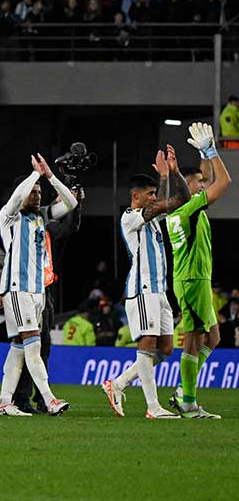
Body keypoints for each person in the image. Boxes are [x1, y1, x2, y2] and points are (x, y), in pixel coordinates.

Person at [102, 157, 192, 417]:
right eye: (149, 194)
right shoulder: (130, 217)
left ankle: (117, 384)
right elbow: (161, 205)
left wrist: (173, 173)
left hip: (159, 292)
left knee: (165, 349)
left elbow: (181, 199)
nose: (154, 198)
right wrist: (163, 180)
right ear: (136, 196)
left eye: (155, 193)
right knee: (147, 343)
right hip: (142, 289)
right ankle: (153, 407)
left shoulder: (152, 219)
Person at [0, 154, 77, 417]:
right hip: (18, 288)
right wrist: (34, 176)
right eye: (33, 193)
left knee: (19, 346)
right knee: (33, 342)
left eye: (40, 192)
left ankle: (4, 402)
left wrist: (50, 177)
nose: (37, 196)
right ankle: (49, 398)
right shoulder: (9, 217)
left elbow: (71, 202)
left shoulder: (42, 216)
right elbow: (17, 198)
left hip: (38, 290)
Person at [166, 123, 231, 418]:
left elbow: (207, 179)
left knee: (213, 337)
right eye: (199, 183)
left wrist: (200, 155)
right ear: (188, 188)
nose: (204, 185)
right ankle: (188, 401)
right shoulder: (189, 210)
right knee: (193, 339)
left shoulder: (183, 209)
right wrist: (211, 151)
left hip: (196, 279)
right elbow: (225, 182)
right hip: (191, 280)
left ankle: (184, 390)